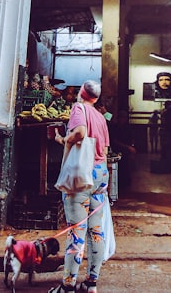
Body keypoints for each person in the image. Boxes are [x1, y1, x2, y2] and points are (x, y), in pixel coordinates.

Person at [51, 80, 111, 293]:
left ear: (81, 93)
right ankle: (91, 283)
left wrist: (64, 139)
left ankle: (67, 286)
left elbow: (80, 134)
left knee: (76, 231)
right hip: (101, 175)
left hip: (82, 176)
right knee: (96, 230)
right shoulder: (101, 117)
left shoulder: (79, 108)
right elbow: (103, 150)